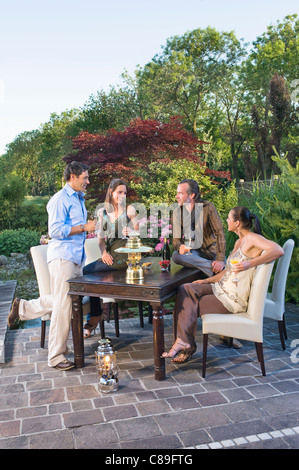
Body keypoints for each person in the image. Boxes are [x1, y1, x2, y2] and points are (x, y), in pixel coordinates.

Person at [162, 206, 284, 363]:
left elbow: (278, 250)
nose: (226, 221)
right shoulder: (239, 242)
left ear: (237, 222)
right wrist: (205, 281)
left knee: (186, 305)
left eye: (228, 218)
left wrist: (249, 264)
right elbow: (226, 272)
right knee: (185, 288)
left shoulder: (252, 239)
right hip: (221, 289)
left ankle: (185, 345)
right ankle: (184, 342)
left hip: (231, 299)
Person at [7, 161, 96, 371]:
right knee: (64, 306)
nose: (88, 181)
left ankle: (23, 307)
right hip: (63, 258)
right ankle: (56, 357)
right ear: (72, 177)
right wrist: (84, 226)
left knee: (62, 301)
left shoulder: (78, 199)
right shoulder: (60, 199)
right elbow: (55, 231)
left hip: (75, 258)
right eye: (85, 177)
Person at [82, 178, 138, 338]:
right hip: (111, 254)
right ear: (111, 192)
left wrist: (131, 233)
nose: (123, 195)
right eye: (119, 192)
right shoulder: (102, 212)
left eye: (125, 193)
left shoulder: (130, 210)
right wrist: (104, 253)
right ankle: (95, 315)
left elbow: (139, 233)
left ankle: (93, 317)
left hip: (126, 254)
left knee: (88, 271)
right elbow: (100, 240)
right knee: (88, 272)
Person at [171, 179, 226, 277]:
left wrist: (220, 260)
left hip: (213, 252)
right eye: (177, 193)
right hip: (195, 253)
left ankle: (216, 267)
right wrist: (180, 247)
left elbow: (219, 233)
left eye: (180, 193)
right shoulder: (177, 213)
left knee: (219, 261)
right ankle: (215, 270)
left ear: (191, 195)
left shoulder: (208, 207)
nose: (176, 196)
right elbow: (176, 241)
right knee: (176, 256)